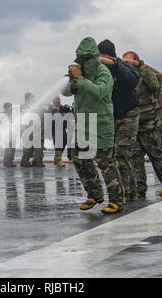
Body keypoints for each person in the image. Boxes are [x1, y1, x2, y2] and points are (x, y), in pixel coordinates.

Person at [63, 37, 125, 215]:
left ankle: (117, 201)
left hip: (101, 124)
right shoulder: (79, 72)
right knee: (80, 159)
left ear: (91, 58)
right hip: (83, 124)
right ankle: (94, 194)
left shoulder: (103, 72)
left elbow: (99, 91)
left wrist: (80, 79)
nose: (80, 62)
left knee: (106, 163)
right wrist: (72, 79)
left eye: (83, 58)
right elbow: (65, 91)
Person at [122, 51, 162, 198]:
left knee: (157, 154)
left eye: (128, 61)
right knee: (135, 157)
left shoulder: (148, 73)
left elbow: (155, 85)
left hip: (151, 122)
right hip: (135, 123)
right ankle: (139, 188)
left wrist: (141, 67)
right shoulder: (128, 77)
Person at [97, 39, 140, 203]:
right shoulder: (99, 70)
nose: (101, 58)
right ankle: (127, 191)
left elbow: (131, 81)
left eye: (104, 55)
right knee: (111, 155)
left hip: (128, 114)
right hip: (111, 117)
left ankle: (128, 193)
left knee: (122, 154)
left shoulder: (124, 66)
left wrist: (115, 64)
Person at [20, 92, 46, 168]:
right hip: (31, 130)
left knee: (32, 147)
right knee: (33, 147)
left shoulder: (25, 107)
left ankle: (30, 161)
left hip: (31, 130)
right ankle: (31, 162)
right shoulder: (31, 107)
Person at [51, 96, 74, 167]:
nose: (57, 101)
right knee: (59, 143)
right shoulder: (51, 109)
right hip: (54, 128)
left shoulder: (65, 108)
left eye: (58, 100)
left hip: (63, 128)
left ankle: (57, 158)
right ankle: (58, 160)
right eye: (55, 100)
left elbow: (71, 115)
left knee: (64, 141)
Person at [3, 102, 17, 168]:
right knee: (9, 149)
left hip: (12, 134)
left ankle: (9, 161)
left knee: (12, 149)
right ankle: (7, 162)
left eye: (11, 106)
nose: (10, 108)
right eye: (9, 107)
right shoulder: (4, 116)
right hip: (7, 134)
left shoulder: (13, 115)